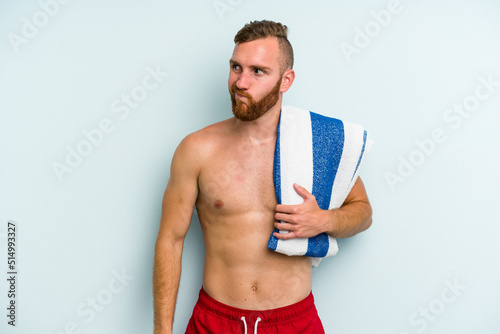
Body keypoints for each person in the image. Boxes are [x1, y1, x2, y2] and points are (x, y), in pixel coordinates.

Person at [153, 20, 372, 334]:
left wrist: (324, 221)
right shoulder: (197, 150)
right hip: (215, 321)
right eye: (236, 67)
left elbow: (364, 214)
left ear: (286, 80)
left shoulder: (316, 143)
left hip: (295, 323)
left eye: (258, 71)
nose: (241, 82)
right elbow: (170, 241)